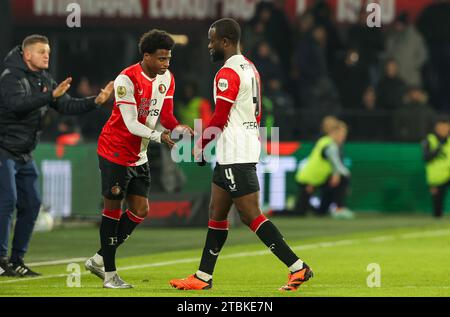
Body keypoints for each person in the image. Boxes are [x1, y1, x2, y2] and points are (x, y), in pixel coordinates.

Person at [169, 18, 313, 292]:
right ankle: (203, 276)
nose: (209, 45)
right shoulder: (250, 67)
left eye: (212, 40)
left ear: (225, 41)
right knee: (217, 211)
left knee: (250, 215)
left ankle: (298, 267)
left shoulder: (227, 73)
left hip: (235, 151)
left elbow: (220, 116)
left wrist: (200, 145)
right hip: (234, 149)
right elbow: (254, 113)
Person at [84, 29, 193, 289]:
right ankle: (110, 276)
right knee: (112, 212)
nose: (166, 64)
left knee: (141, 210)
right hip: (115, 152)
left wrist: (178, 128)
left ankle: (99, 258)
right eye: (161, 59)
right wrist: (160, 137)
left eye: (168, 59)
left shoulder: (167, 78)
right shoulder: (126, 79)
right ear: (146, 56)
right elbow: (131, 123)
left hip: (139, 155)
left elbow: (166, 114)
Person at [0, 34, 113, 277]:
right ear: (27, 54)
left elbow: (67, 105)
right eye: (41, 51)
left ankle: (16, 260)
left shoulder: (43, 79)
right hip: (3, 149)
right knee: (7, 202)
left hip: (23, 153)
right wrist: (50, 96)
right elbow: (16, 105)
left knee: (31, 204)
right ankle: (0, 261)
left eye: (48, 51)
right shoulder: (11, 78)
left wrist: (96, 101)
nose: (46, 55)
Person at [295, 120, 354, 219]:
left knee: (338, 180)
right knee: (298, 212)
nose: (343, 137)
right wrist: (345, 174)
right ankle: (273, 212)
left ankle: (332, 208)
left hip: (319, 180)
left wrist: (336, 175)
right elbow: (337, 165)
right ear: (333, 133)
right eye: (341, 134)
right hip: (308, 181)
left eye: (344, 134)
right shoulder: (329, 145)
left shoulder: (326, 142)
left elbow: (333, 165)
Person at [422, 116, 450, 218]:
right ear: (436, 128)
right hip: (437, 178)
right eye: (441, 127)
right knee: (437, 210)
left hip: (449, 174)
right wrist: (439, 147)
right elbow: (426, 157)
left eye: (446, 127)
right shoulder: (429, 140)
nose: (444, 130)